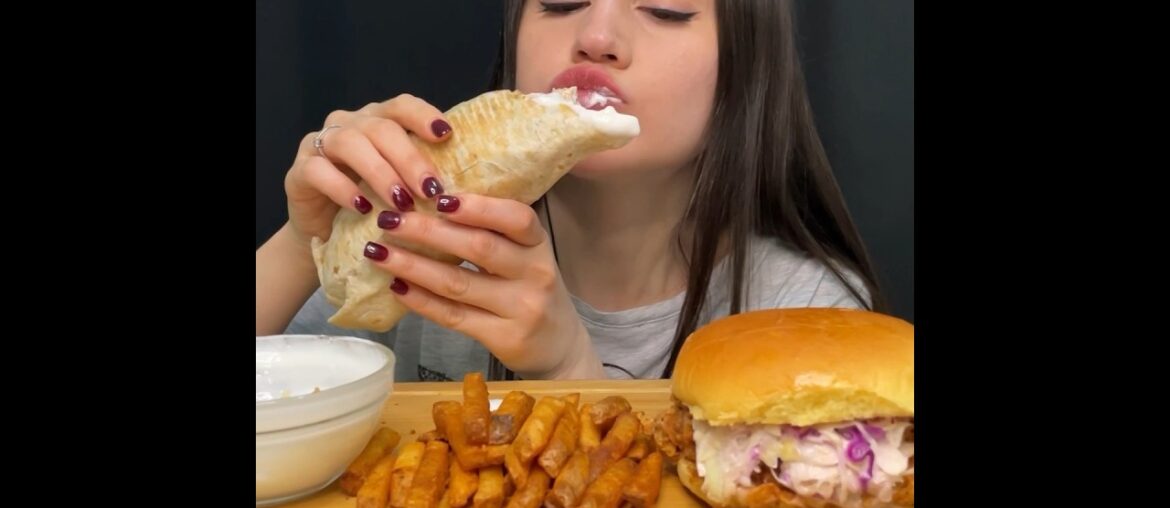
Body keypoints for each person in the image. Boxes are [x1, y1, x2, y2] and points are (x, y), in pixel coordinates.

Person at [256, 0, 890, 382]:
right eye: (561, 2)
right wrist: (305, 240)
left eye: (665, 9)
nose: (597, 38)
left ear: (746, 68)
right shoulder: (412, 250)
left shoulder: (809, 314)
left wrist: (567, 371)